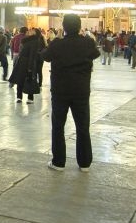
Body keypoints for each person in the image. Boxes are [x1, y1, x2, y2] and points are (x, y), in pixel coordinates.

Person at [41, 14, 100, 172]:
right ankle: (85, 163)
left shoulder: (58, 44)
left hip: (61, 90)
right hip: (81, 90)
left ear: (64, 27)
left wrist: (55, 40)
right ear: (79, 26)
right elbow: (96, 54)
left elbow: (45, 56)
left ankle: (59, 162)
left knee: (58, 126)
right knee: (82, 126)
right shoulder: (87, 42)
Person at [9, 28, 43, 103]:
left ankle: (30, 98)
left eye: (32, 30)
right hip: (21, 62)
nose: (30, 31)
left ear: (35, 33)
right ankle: (19, 97)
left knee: (30, 79)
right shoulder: (25, 40)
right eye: (30, 30)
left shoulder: (35, 41)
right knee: (20, 79)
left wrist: (30, 67)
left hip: (29, 63)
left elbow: (32, 55)